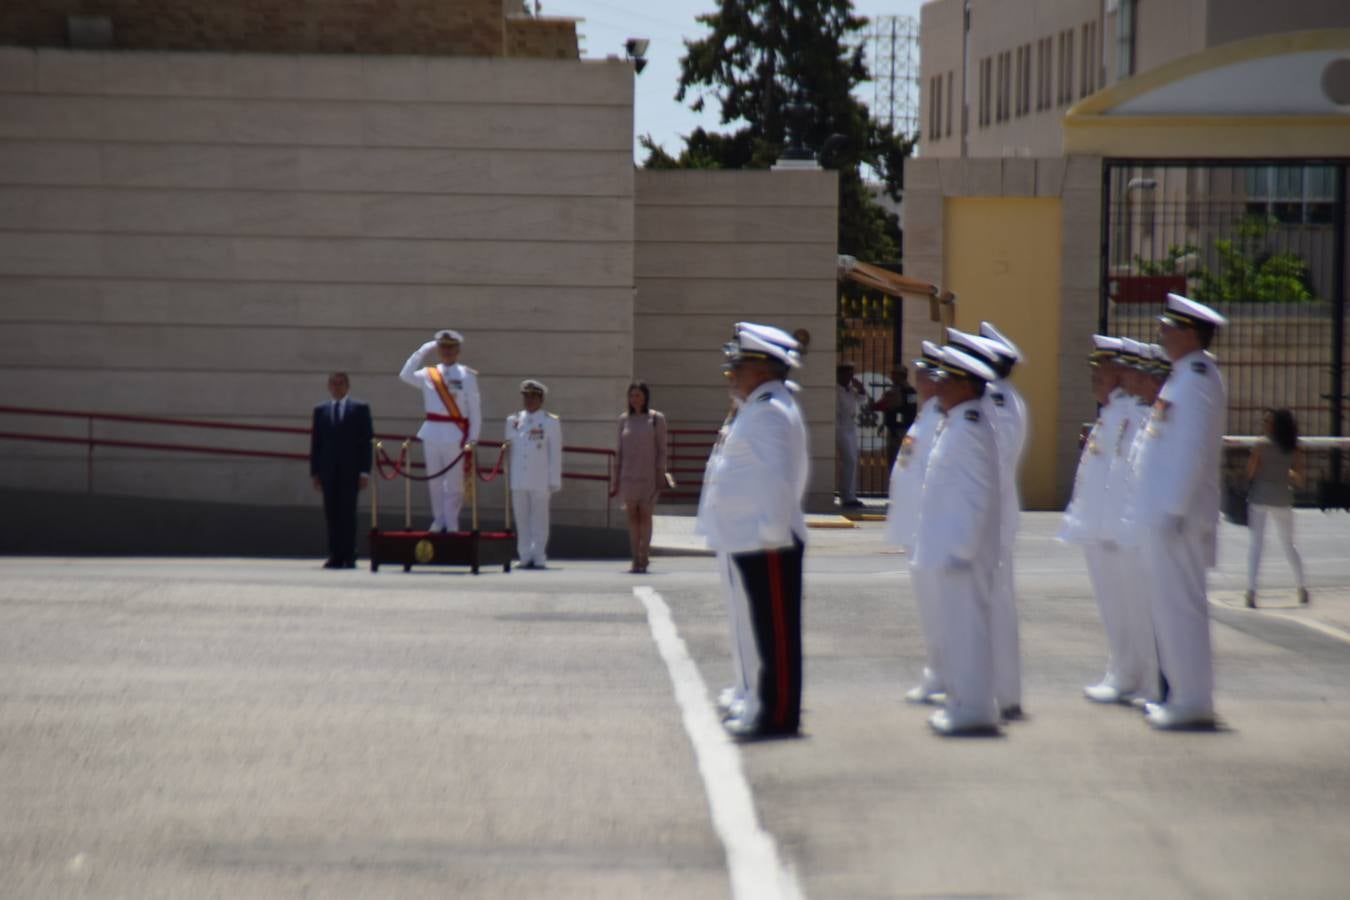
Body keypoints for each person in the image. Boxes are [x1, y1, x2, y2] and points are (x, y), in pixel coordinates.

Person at [698, 322, 809, 740]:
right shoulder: (762, 407)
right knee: (766, 631)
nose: (732, 373)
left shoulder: (770, 412)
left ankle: (779, 716)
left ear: (762, 369)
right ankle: (768, 707)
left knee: (776, 634)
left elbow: (778, 480)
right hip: (757, 538)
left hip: (770, 541)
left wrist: (771, 534)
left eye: (739, 366)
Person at [1131, 293, 1228, 730]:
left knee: (1181, 607)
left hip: (1179, 517)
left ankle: (1192, 699)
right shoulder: (1183, 376)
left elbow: (1191, 451)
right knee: (1169, 607)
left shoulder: (1198, 377)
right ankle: (1183, 696)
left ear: (1190, 334)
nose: (1161, 334)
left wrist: (1171, 510)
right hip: (1167, 514)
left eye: (1168, 328)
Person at [912, 346, 1003, 736]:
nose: (937, 385)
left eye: (945, 379)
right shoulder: (958, 423)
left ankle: (975, 706)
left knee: (968, 629)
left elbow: (975, 494)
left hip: (961, 552)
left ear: (966, 385)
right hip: (950, 548)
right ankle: (962, 701)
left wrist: (961, 550)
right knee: (957, 629)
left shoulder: (969, 428)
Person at [946, 324, 1028, 720]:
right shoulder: (1001, 399)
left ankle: (1002, 693)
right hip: (991, 517)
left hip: (990, 520)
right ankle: (994, 690)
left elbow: (994, 461)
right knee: (991, 606)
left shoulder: (996, 400)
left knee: (992, 608)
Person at [884, 342, 946, 703]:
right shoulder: (928, 414)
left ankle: (943, 674)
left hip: (928, 528)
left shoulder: (940, 418)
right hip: (916, 528)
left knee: (939, 607)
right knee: (929, 609)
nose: (918, 377)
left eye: (925, 372)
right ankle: (937, 672)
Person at [399, 330, 482, 532]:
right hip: (432, 432)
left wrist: (473, 438)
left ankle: (451, 521)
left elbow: (474, 409)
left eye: (450, 348)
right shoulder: (429, 374)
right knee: (434, 480)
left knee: (454, 482)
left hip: (455, 433)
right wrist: (423, 350)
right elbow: (405, 375)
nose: (447, 352)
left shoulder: (467, 376)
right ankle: (439, 520)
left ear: (458, 350)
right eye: (443, 347)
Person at [1244, 408, 1309, 608]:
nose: (1263, 425)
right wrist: (1285, 472)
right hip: (1283, 499)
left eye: (1266, 422)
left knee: (1256, 545)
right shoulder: (1293, 446)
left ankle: (1251, 591)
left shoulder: (1260, 445)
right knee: (1289, 545)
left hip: (1260, 498)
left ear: (1273, 425)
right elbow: (1300, 480)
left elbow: (1250, 472)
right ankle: (1301, 586)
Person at [309, 372, 374, 569]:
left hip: (351, 471)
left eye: (341, 384)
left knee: (348, 513)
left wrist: (364, 471)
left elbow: (366, 442)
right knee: (332, 513)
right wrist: (315, 472)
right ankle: (335, 555)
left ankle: (349, 554)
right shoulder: (321, 410)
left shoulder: (360, 409)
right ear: (329, 386)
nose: (337, 387)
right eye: (334, 384)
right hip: (328, 470)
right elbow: (316, 443)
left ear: (347, 386)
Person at [505, 379, 562, 569]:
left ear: (541, 399)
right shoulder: (513, 421)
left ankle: (538, 555)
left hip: (540, 478)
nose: (529, 400)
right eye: (526, 396)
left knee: (539, 518)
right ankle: (524, 554)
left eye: (533, 397)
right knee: (521, 518)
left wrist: (554, 480)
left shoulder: (550, 422)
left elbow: (554, 453)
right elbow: (509, 450)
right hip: (519, 478)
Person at [615, 382, 668, 574]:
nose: (635, 399)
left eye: (638, 395)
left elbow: (662, 449)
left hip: (648, 475)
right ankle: (634, 557)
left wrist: (660, 473)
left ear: (645, 397)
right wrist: (616, 478)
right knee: (632, 516)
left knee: (645, 515)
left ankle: (644, 555)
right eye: (632, 396)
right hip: (628, 475)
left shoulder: (656, 419)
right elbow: (619, 451)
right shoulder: (623, 420)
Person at [874, 364, 919, 469]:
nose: (893, 377)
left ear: (902, 376)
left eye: (895, 375)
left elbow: (911, 409)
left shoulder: (910, 391)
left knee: (904, 462)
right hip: (894, 430)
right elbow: (882, 406)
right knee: (893, 460)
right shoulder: (893, 391)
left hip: (905, 431)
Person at [835, 361, 866, 507]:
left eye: (851, 373)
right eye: (846, 373)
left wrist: (861, 389)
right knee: (848, 461)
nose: (849, 376)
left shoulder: (851, 390)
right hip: (839, 427)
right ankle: (846, 495)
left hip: (850, 428)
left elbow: (863, 401)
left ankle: (849, 495)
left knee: (852, 461)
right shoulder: (835, 390)